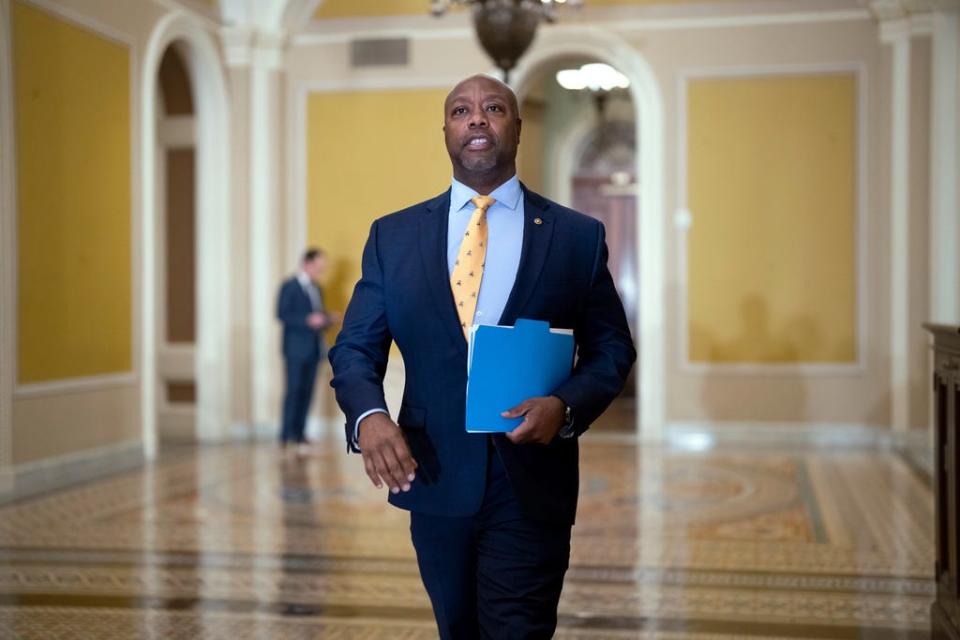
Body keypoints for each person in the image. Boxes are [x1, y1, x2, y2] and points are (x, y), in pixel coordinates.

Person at [329, 75, 635, 638]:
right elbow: (354, 347)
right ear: (445, 131)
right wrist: (369, 418)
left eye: (493, 108)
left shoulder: (575, 236)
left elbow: (613, 347)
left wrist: (565, 407)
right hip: (434, 473)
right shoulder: (393, 236)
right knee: (458, 630)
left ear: (516, 128)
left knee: (517, 629)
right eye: (460, 111)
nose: (476, 119)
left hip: (531, 480)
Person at [277, 248, 337, 453]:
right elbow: (282, 314)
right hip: (295, 349)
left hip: (313, 349)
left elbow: (317, 316)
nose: (319, 272)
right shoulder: (289, 286)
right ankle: (286, 435)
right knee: (293, 391)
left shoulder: (317, 288)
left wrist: (328, 318)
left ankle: (300, 434)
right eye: (318, 268)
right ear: (307, 263)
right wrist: (307, 320)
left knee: (308, 393)